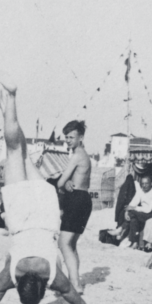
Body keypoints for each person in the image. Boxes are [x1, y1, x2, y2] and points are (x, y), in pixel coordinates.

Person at [0, 71, 88, 304]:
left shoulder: (51, 276)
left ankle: (6, 104)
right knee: (16, 150)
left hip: (47, 210)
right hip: (22, 215)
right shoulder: (12, 274)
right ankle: (10, 98)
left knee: (22, 152)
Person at [55, 120, 92, 293]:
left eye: (71, 137)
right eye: (66, 137)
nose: (68, 141)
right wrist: (68, 182)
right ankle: (74, 281)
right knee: (71, 244)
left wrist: (64, 183)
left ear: (81, 137)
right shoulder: (84, 155)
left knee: (64, 243)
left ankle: (76, 284)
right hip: (84, 199)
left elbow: (60, 182)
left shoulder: (77, 156)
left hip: (76, 200)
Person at [125, 174, 152, 250]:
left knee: (132, 213)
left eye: (146, 183)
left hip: (151, 214)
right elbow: (132, 203)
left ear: (151, 183)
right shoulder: (140, 191)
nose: (144, 186)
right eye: (142, 183)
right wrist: (127, 211)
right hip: (142, 214)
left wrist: (134, 208)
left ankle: (134, 241)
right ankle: (135, 243)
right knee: (133, 219)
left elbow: (149, 209)